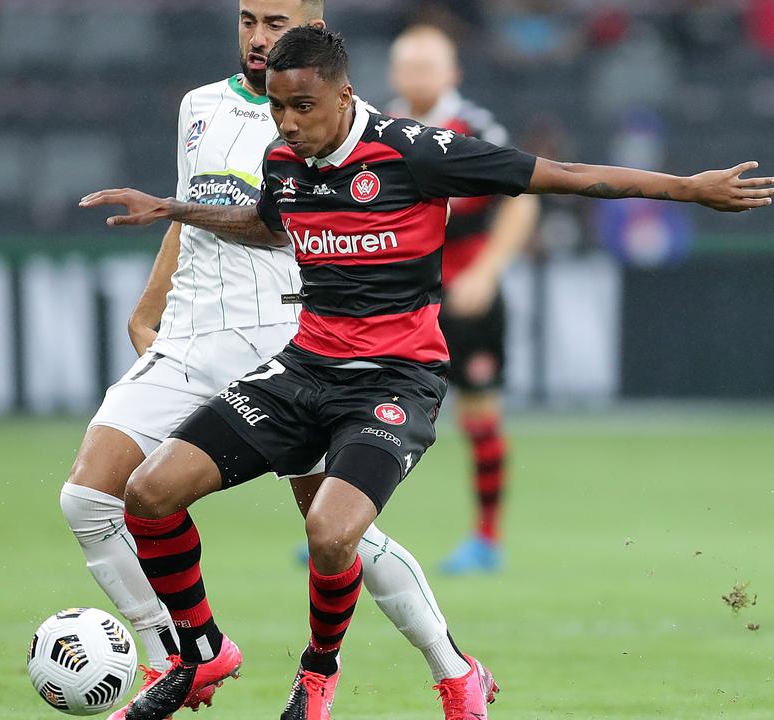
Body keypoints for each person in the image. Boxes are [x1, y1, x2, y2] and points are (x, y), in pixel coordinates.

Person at [83, 26, 774, 720]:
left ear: (342, 94)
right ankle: (201, 651)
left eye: (302, 107)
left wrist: (688, 188)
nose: (288, 124)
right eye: (276, 108)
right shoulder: (284, 158)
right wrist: (174, 208)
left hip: (394, 379)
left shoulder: (416, 152)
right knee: (147, 493)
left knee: (330, 532)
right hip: (303, 368)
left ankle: (320, 671)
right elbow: (270, 223)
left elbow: (557, 177)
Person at [61, 1, 477, 717]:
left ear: (312, 25)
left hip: (288, 347)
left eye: (275, 23)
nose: (259, 37)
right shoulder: (199, 106)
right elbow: (189, 209)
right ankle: (181, 656)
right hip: (193, 337)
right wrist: (149, 307)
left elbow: (288, 224)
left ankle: (453, 666)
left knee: (340, 534)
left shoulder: (340, 119)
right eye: (249, 20)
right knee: (90, 498)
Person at [387, 24, 540, 574]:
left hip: (465, 296)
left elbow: (523, 200)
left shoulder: (473, 128)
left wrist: (489, 271)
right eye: (410, 67)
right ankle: (344, 528)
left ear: (452, 74)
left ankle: (486, 538)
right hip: (399, 300)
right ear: (394, 74)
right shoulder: (374, 128)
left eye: (430, 67)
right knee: (362, 408)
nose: (419, 77)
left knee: (478, 414)